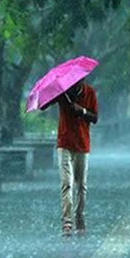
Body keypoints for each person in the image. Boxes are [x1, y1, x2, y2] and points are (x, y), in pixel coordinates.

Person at [44, 79, 98, 236]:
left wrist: (81, 111)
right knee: (66, 183)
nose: (75, 84)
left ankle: (79, 218)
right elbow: (43, 106)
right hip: (64, 143)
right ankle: (67, 223)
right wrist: (53, 92)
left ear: (83, 80)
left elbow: (95, 118)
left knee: (81, 185)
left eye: (78, 81)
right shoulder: (63, 93)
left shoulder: (90, 93)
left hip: (82, 144)